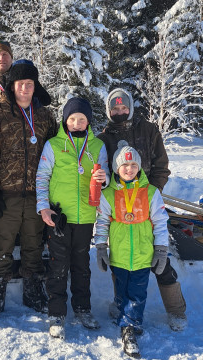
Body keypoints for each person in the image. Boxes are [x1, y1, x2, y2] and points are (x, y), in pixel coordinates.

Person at [97, 88, 187, 331]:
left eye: (123, 108)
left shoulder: (149, 130)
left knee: (160, 260)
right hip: (119, 204)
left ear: (131, 108)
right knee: (121, 259)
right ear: (109, 111)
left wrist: (151, 193)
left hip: (147, 202)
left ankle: (176, 311)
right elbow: (101, 172)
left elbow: (161, 165)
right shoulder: (103, 138)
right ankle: (122, 304)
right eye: (114, 109)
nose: (119, 112)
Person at [0, 59, 57, 321]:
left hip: (38, 196)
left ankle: (33, 291)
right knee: (2, 246)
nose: (25, 88)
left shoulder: (46, 116)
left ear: (35, 86)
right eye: (20, 83)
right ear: (12, 85)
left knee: (34, 245)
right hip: (7, 194)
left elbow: (55, 155)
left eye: (30, 83)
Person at [36, 97, 109, 339]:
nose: (77, 123)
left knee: (81, 266)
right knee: (58, 265)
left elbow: (106, 175)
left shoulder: (97, 146)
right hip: (59, 216)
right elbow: (42, 178)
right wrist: (44, 208)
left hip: (86, 217)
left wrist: (103, 179)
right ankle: (56, 313)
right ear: (65, 121)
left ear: (88, 121)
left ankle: (82, 308)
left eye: (82, 119)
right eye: (72, 119)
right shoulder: (54, 145)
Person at [95, 141, 169, 358]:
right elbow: (102, 223)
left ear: (139, 168)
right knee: (121, 289)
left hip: (142, 256)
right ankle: (121, 309)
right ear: (117, 168)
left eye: (133, 165)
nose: (129, 169)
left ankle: (129, 329)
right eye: (124, 166)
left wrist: (161, 250)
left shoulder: (151, 192)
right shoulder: (108, 194)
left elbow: (161, 222)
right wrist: (100, 247)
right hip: (118, 255)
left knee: (137, 294)